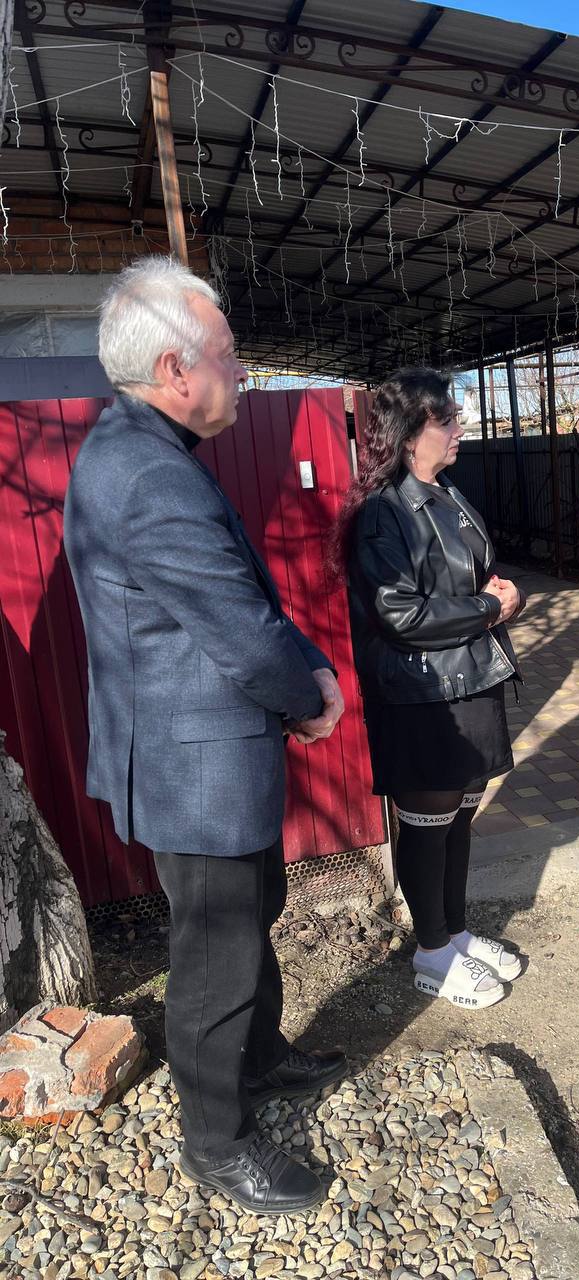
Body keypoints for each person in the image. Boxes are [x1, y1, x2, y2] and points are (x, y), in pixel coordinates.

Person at [64, 256, 348, 1213]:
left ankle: (258, 1057)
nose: (243, 371)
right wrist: (309, 695)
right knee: (215, 952)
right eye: (228, 355)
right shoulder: (149, 473)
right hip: (195, 771)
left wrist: (305, 668)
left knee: (249, 914)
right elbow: (241, 632)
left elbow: (237, 602)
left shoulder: (142, 450)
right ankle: (217, 1142)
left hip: (204, 756)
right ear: (175, 369)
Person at [336, 368, 525, 1009]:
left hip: (468, 676)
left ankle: (455, 934)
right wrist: (490, 609)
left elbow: (473, 581)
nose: (459, 427)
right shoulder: (384, 513)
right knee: (428, 822)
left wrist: (504, 599)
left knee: (460, 817)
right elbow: (400, 614)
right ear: (411, 433)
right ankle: (431, 953)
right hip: (422, 695)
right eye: (447, 419)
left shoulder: (447, 493)